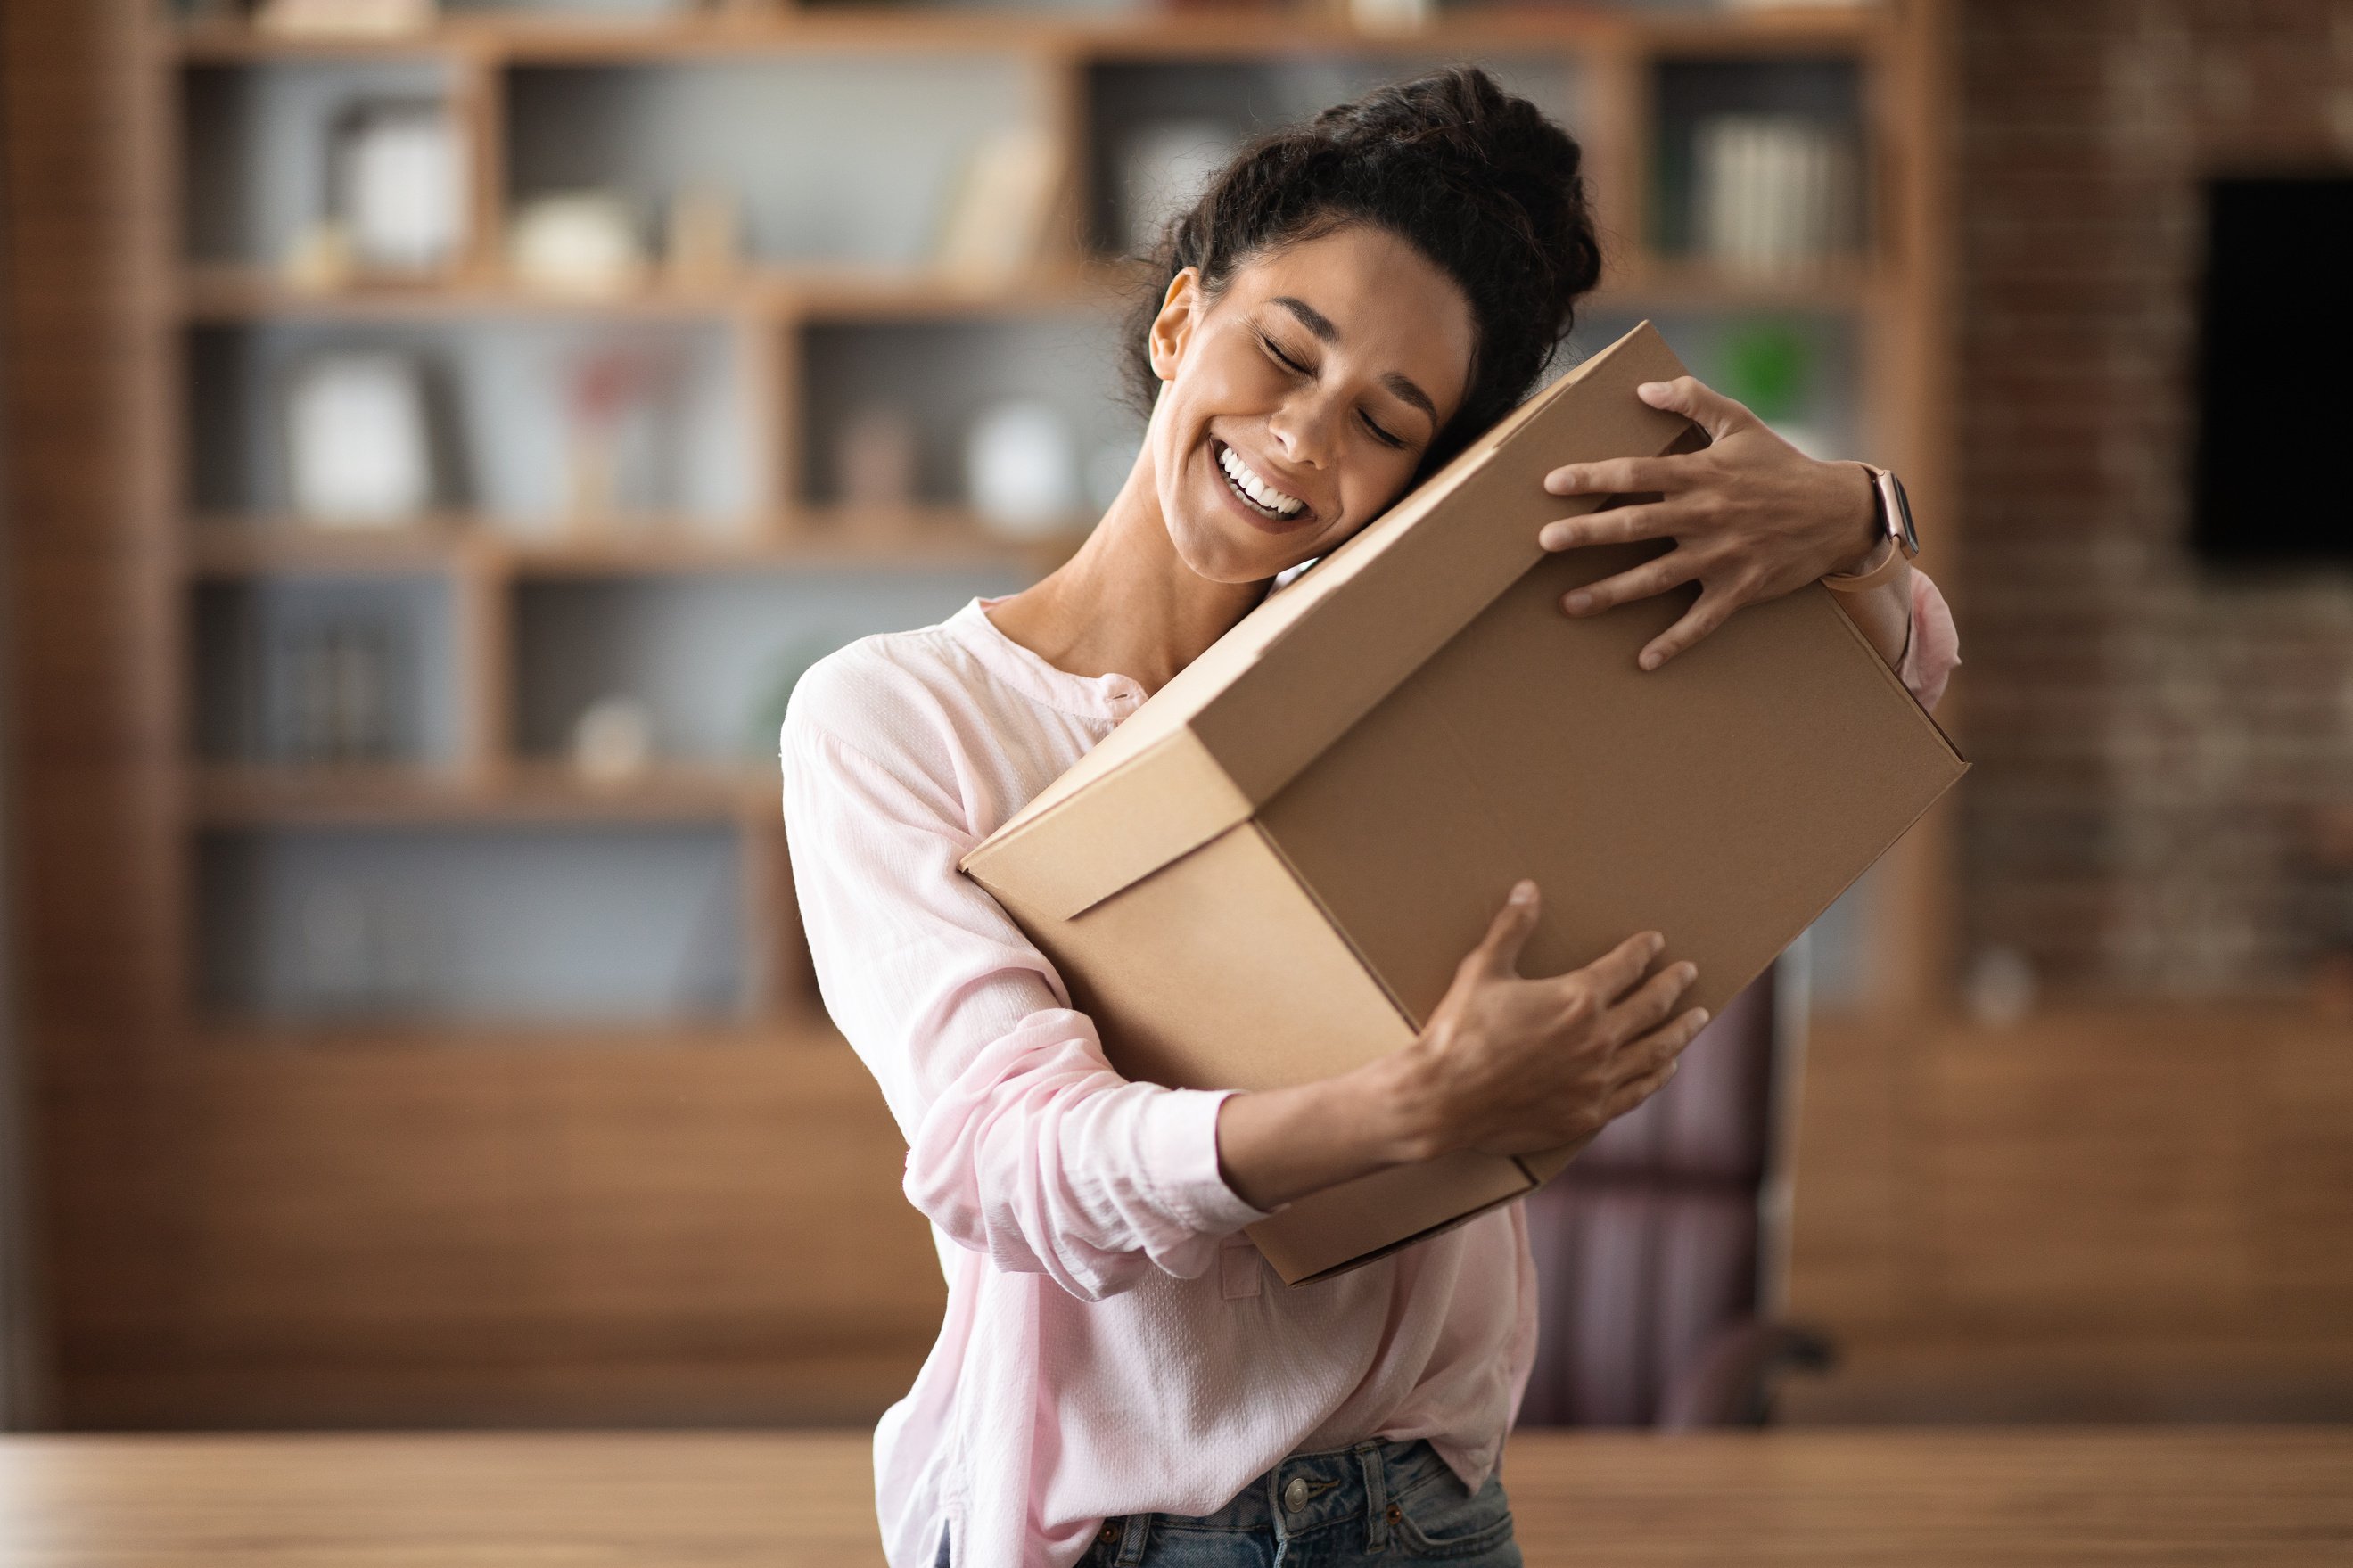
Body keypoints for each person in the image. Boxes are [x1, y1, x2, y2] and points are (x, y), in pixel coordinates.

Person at [781, 67, 1959, 1568]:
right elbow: (1016, 1165)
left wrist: (1858, 520)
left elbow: (1873, 693)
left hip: (1428, 1516)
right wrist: (1411, 1112)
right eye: (1285, 351)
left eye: (1386, 421)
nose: (1301, 436)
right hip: (1120, 1535)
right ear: (1176, 321)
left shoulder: (1426, 692)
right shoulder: (899, 716)